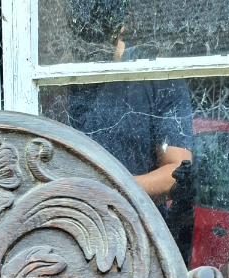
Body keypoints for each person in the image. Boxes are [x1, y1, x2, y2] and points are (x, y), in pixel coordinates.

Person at [60, 0, 196, 260]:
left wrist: (107, 190)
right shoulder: (59, 76)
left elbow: (177, 173)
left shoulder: (154, 75)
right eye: (81, 34)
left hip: (141, 238)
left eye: (97, 35)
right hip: (74, 238)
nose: (88, 47)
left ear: (120, 26)